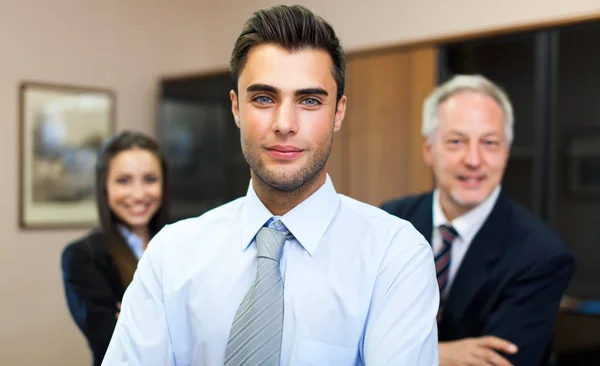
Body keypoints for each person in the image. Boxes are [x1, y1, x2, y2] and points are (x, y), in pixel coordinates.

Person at [102, 5, 439, 366]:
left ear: (338, 113)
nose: (284, 123)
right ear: (235, 108)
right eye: (264, 98)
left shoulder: (394, 256)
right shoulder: (170, 256)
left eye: (309, 100)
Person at [381, 74, 576, 366]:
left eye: (489, 143)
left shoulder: (543, 255)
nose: (473, 160)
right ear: (428, 149)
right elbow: (347, 331)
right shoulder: (389, 221)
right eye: (456, 141)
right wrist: (440, 355)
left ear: (506, 152)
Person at [61, 130, 170, 366]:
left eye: (150, 179)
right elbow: (114, 345)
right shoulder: (82, 257)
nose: (138, 194)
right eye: (123, 181)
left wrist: (137, 320)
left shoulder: (182, 242)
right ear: (105, 187)